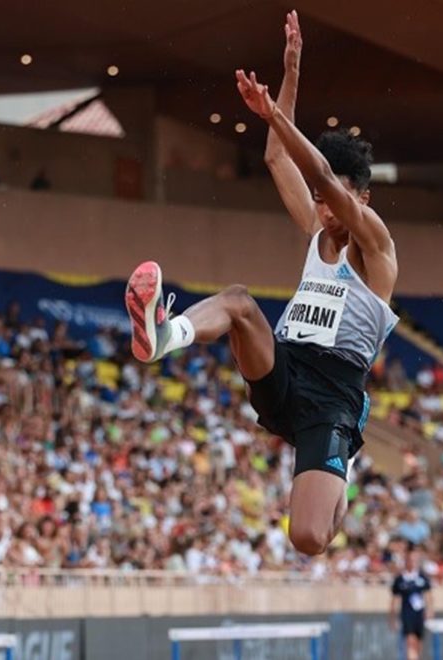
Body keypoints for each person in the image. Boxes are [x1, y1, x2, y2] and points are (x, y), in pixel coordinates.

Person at [123, 11, 399, 556]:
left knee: (309, 538)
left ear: (362, 199)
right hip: (285, 369)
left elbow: (322, 176)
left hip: (334, 396)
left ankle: (343, 465)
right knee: (239, 303)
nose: (324, 209)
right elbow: (278, 156)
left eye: (336, 201)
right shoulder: (316, 228)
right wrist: (290, 75)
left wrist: (275, 113)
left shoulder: (376, 248)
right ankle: (164, 335)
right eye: (319, 203)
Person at [390, 546, 433, 660]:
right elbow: (395, 600)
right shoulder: (400, 580)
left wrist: (430, 610)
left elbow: (428, 596)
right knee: (410, 642)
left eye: (415, 560)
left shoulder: (422, 577)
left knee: (418, 645)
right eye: (410, 560)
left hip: (419, 615)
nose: (412, 562)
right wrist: (393, 618)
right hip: (407, 615)